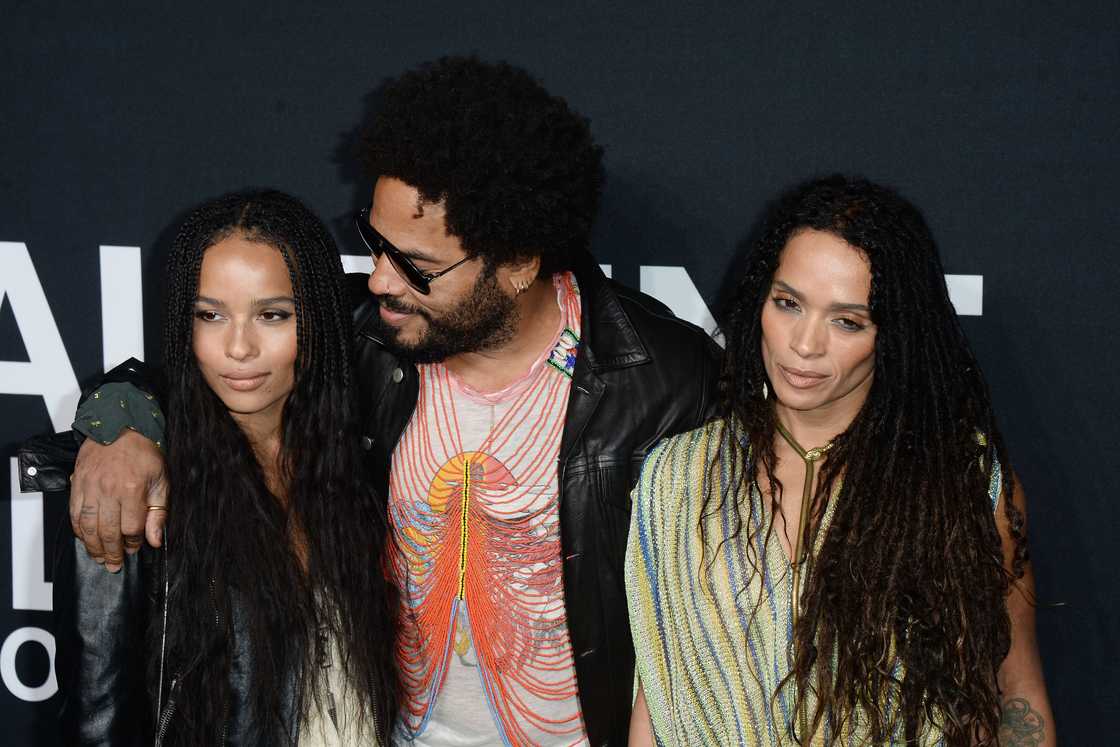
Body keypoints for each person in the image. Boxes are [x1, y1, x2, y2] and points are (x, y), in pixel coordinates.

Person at [62, 57, 720, 745]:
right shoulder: (366, 342)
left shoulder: (668, 382)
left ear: (522, 262)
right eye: (375, 244)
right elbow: (212, 380)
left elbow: (706, 624)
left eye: (416, 265)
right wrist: (123, 422)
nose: (379, 279)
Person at [625, 175, 1054, 746]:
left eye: (847, 321)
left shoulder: (966, 485)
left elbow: (1014, 690)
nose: (804, 344)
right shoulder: (678, 478)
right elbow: (659, 698)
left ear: (892, 334)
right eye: (788, 304)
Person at [39, 191, 399, 744]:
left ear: (319, 320)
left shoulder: (366, 458)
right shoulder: (134, 487)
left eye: (272, 315)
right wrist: (119, 415)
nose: (238, 347)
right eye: (210, 315)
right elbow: (97, 720)